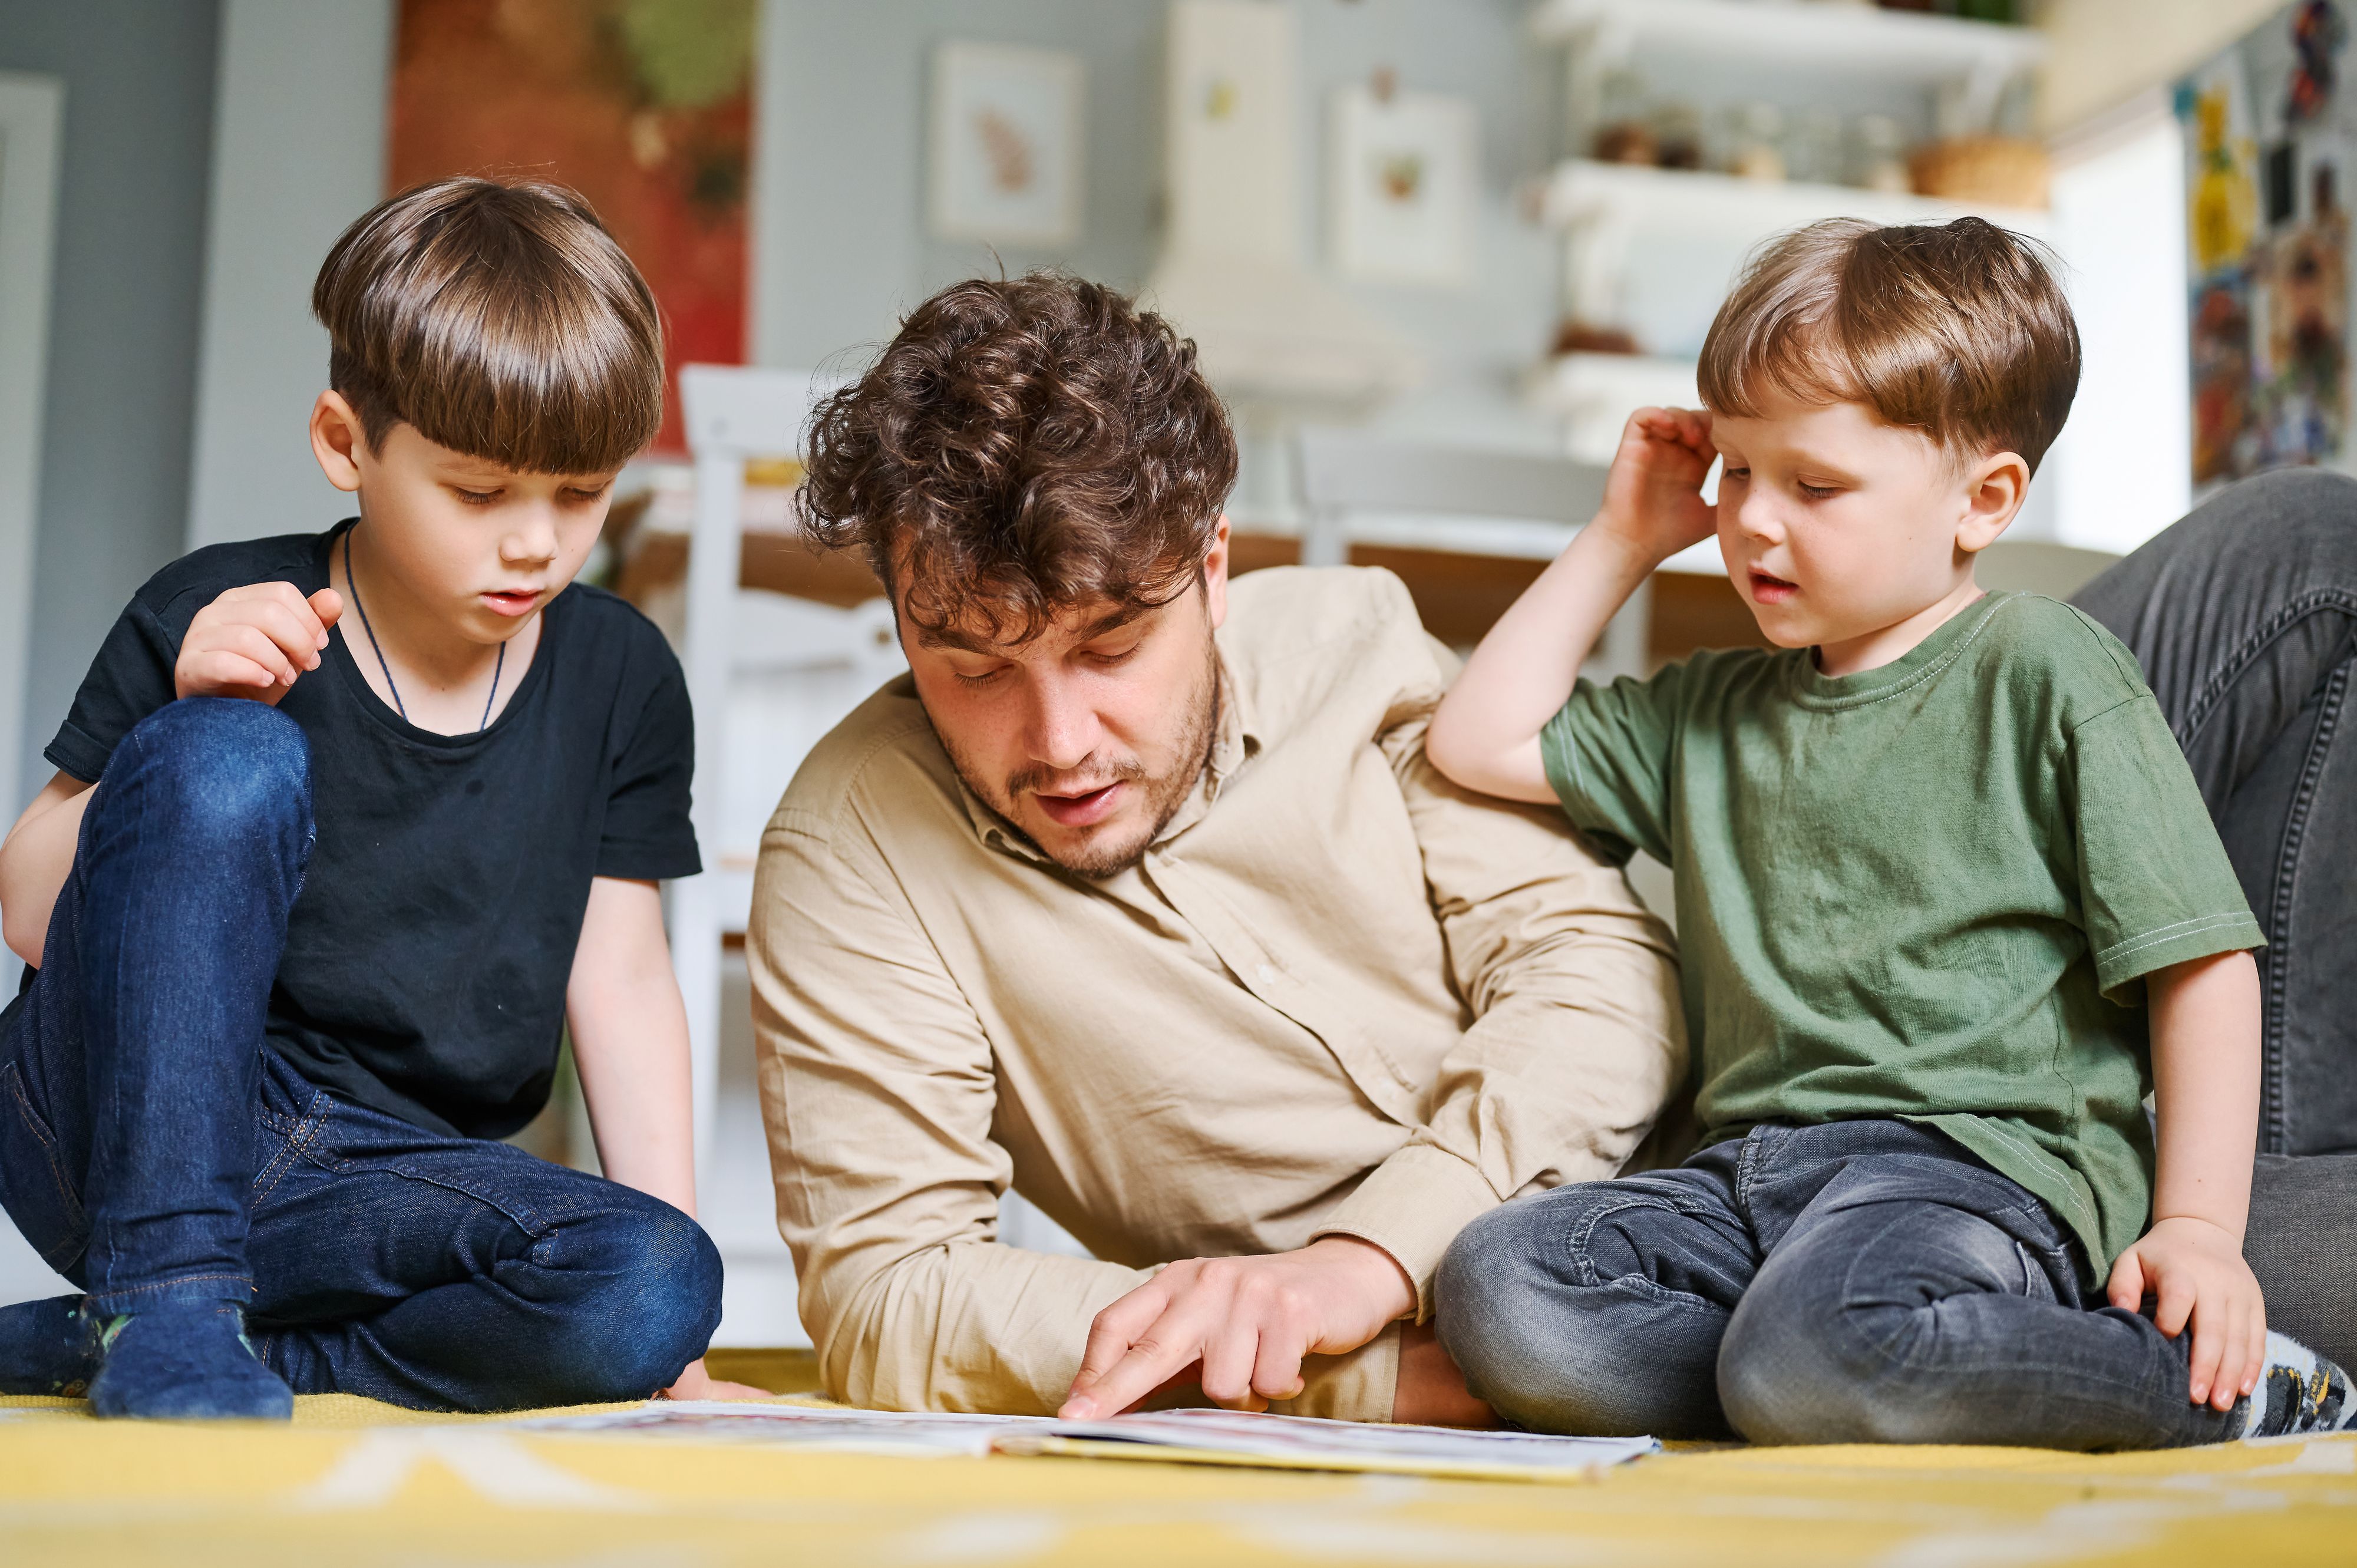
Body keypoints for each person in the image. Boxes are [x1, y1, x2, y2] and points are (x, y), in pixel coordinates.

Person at [1423, 217, 2352, 1448]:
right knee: (1499, 1289)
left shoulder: (2043, 669)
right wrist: (1624, 537)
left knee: (1813, 1341)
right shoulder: (1709, 708)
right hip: (1742, 1179)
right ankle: (1861, 1372)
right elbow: (1475, 740)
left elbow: (2199, 964)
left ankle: (2221, 1393)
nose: (1753, 520)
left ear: (1982, 498)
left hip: (1971, 1173)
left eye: (1812, 486)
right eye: (1738, 471)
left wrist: (2192, 1230)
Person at [747, 273, 1686, 1423]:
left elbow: (1599, 978)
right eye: (975, 665)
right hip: (1497, 1364)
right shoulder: (851, 851)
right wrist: (1361, 1376)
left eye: (1110, 646)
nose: (1059, 743)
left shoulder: (1355, 646)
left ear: (1212, 564)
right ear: (901, 616)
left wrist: (1366, 1259)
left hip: (1710, 1191)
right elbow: (892, 1295)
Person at [0, 177, 759, 1418]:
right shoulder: (216, 603)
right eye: (480, 492)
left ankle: (136, 1338)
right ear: (346, 442)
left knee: (656, 1280)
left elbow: (617, 979)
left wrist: (677, 1350)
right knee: (224, 758)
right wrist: (184, 715)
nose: (536, 544)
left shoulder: (620, 673)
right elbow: (31, 913)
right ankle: (172, 1297)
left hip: (378, 1177)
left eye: (580, 493)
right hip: (124, 1119)